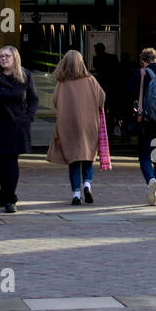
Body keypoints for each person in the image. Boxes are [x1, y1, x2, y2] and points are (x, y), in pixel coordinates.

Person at [0, 45, 39, 213]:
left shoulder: (25, 76)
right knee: (0, 161)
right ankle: (3, 194)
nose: (3, 59)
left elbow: (33, 99)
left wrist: (28, 117)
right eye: (1, 56)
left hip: (16, 125)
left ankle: (10, 198)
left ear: (15, 58)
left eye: (7, 56)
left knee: (11, 161)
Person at [45, 49, 107, 204]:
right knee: (87, 157)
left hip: (68, 126)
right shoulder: (91, 80)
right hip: (89, 124)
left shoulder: (62, 84)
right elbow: (101, 99)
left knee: (73, 160)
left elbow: (55, 102)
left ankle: (76, 194)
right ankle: (87, 184)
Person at [126, 48, 156, 206]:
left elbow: (128, 95)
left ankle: (150, 179)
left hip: (145, 123)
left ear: (144, 61)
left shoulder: (141, 73)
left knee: (145, 156)